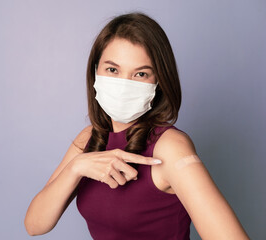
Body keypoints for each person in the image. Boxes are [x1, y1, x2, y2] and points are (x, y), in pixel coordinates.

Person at [24, 12, 249, 239]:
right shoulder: (89, 139)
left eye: (140, 74)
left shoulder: (170, 147)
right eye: (113, 70)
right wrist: (76, 167)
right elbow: (35, 225)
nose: (124, 85)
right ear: (95, 72)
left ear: (158, 82)